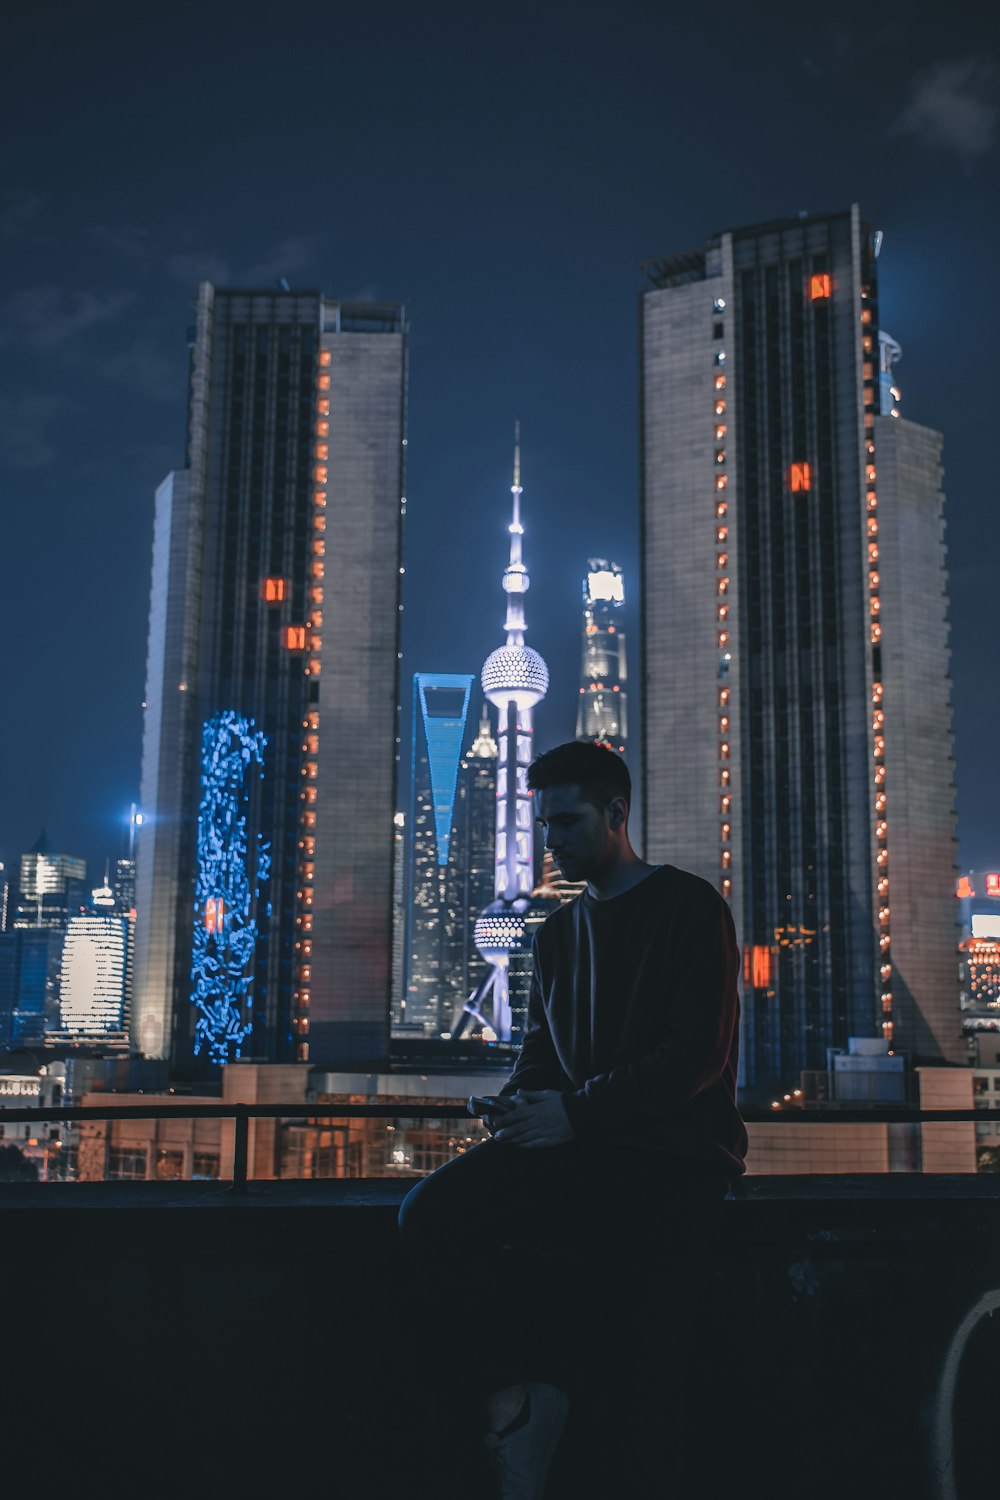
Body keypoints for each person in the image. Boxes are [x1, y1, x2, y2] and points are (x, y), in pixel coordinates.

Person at [397, 741, 747, 1499]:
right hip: (581, 1145)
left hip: (669, 1158)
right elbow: (540, 1055)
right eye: (545, 825)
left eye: (567, 822)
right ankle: (516, 1400)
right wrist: (517, 1108)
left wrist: (575, 1115)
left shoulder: (689, 908)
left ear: (617, 814)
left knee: (641, 1382)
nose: (551, 842)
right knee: (428, 1213)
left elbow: (695, 1059)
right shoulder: (556, 935)